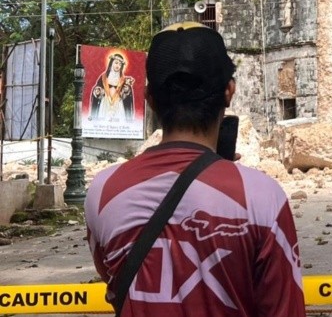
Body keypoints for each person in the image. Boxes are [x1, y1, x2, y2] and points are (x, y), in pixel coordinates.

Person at [85, 22, 305, 316]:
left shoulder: (103, 191)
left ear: (149, 100)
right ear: (229, 91)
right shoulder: (263, 197)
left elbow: (114, 282)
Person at [89, 53, 135, 122]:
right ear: (111, 63)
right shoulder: (103, 77)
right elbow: (98, 89)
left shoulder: (123, 79)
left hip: (118, 105)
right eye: (116, 63)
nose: (118, 65)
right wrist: (98, 91)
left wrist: (126, 90)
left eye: (120, 64)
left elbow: (127, 96)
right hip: (105, 104)